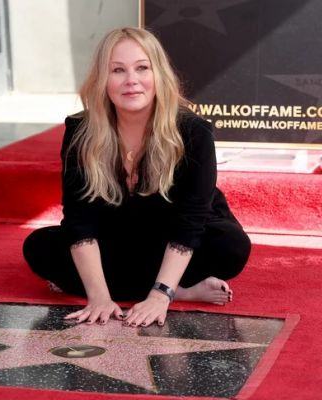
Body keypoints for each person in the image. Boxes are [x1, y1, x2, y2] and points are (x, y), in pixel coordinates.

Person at [23, 27, 251, 328]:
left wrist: (160, 295)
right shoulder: (81, 131)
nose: (131, 80)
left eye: (142, 68)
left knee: (231, 246)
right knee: (39, 247)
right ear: (103, 80)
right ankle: (181, 290)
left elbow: (190, 222)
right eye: (117, 70)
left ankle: (163, 289)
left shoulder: (194, 131)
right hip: (118, 232)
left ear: (159, 74)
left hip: (175, 232)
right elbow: (79, 219)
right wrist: (99, 297)